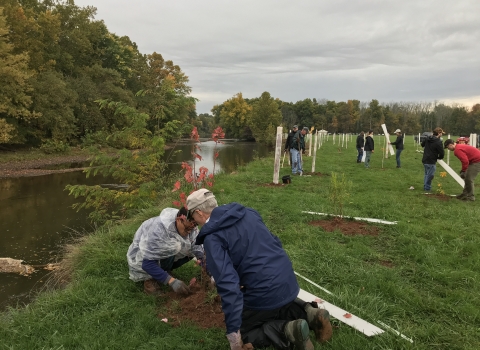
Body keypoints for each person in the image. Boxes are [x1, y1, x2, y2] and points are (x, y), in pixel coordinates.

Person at [186, 189, 332, 350]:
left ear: (199, 213)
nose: (194, 221)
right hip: (287, 280)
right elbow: (274, 242)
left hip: (263, 290)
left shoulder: (212, 238)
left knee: (248, 331)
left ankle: (288, 331)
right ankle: (310, 314)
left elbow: (229, 287)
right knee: (274, 306)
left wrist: (234, 336)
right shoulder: (248, 213)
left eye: (192, 216)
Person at [127, 207, 204, 295]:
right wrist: (171, 281)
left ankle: (164, 271)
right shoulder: (158, 230)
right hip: (143, 259)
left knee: (190, 250)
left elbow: (197, 248)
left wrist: (206, 266)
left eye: (191, 229)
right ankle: (148, 279)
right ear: (178, 220)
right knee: (172, 247)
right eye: (186, 229)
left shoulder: (190, 225)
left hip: (163, 251)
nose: (188, 232)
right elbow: (147, 263)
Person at [421, 127, 445, 192]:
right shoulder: (438, 141)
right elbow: (442, 152)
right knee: (430, 175)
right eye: (441, 133)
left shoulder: (427, 138)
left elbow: (422, 144)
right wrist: (439, 158)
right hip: (431, 160)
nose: (442, 134)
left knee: (426, 174)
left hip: (425, 159)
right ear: (439, 133)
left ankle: (425, 187)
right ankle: (427, 188)